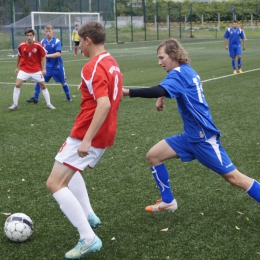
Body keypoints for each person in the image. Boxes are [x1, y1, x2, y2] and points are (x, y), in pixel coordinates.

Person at [122, 38, 260, 214]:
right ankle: (168, 201)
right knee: (153, 155)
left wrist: (127, 92)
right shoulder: (185, 71)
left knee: (235, 178)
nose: (159, 62)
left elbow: (160, 89)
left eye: (161, 57)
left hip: (203, 138)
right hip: (190, 137)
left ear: (173, 55)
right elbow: (167, 88)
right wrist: (161, 98)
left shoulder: (178, 74)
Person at [46, 21, 123, 259]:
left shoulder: (92, 66)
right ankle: (89, 214)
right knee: (72, 169)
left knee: (55, 183)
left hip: (88, 131)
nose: (78, 45)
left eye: (79, 40)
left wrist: (86, 139)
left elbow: (104, 103)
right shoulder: (111, 62)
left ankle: (88, 238)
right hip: (105, 131)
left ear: (88, 40)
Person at [9, 28, 55, 110]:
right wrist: (16, 67)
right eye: (27, 35)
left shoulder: (38, 45)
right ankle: (15, 104)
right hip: (24, 69)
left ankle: (49, 104)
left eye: (31, 35)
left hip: (36, 70)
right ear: (25, 36)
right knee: (17, 85)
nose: (29, 37)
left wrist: (44, 68)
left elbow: (43, 55)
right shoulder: (21, 45)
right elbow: (19, 56)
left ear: (33, 36)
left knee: (43, 86)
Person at [26, 25, 72, 104]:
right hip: (47, 67)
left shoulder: (57, 41)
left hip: (57, 67)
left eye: (49, 31)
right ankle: (35, 98)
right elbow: (37, 52)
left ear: (52, 31)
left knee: (63, 82)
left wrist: (47, 55)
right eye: (46, 32)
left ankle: (68, 97)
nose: (48, 33)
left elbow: (58, 54)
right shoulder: (42, 42)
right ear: (44, 32)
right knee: (39, 81)